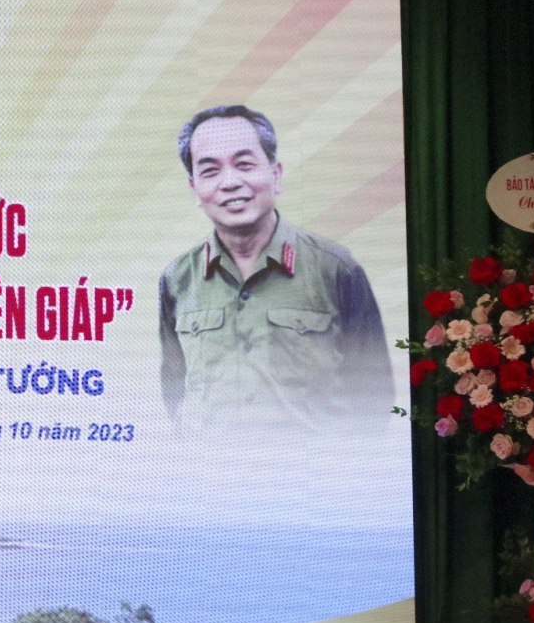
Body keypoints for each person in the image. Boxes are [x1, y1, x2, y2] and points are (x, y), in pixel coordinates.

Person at [158, 104, 392, 430]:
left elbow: (374, 398)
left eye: (244, 164)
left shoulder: (336, 270)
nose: (229, 182)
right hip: (211, 475)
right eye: (210, 170)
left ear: (276, 174)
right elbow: (174, 392)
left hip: (309, 476)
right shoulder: (177, 279)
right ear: (194, 188)